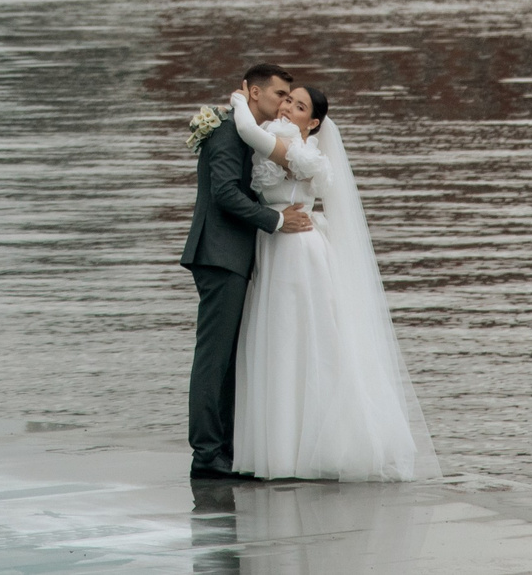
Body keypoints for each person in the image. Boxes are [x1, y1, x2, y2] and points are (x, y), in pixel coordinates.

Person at [224, 86, 441, 482]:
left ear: (314, 123)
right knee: (282, 341)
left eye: (298, 106)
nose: (287, 108)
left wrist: (240, 99)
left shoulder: (298, 151)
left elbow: (247, 130)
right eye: (287, 100)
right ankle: (284, 445)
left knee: (294, 341)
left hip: (294, 249)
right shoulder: (288, 140)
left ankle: (298, 449)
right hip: (277, 243)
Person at [181, 64, 312, 479]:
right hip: (219, 254)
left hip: (232, 255)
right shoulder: (226, 131)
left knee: (229, 359)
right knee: (214, 358)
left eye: (290, 98)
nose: (284, 104)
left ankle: (226, 447)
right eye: (279, 95)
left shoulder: (246, 130)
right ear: (254, 93)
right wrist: (276, 220)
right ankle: (207, 453)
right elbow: (224, 193)